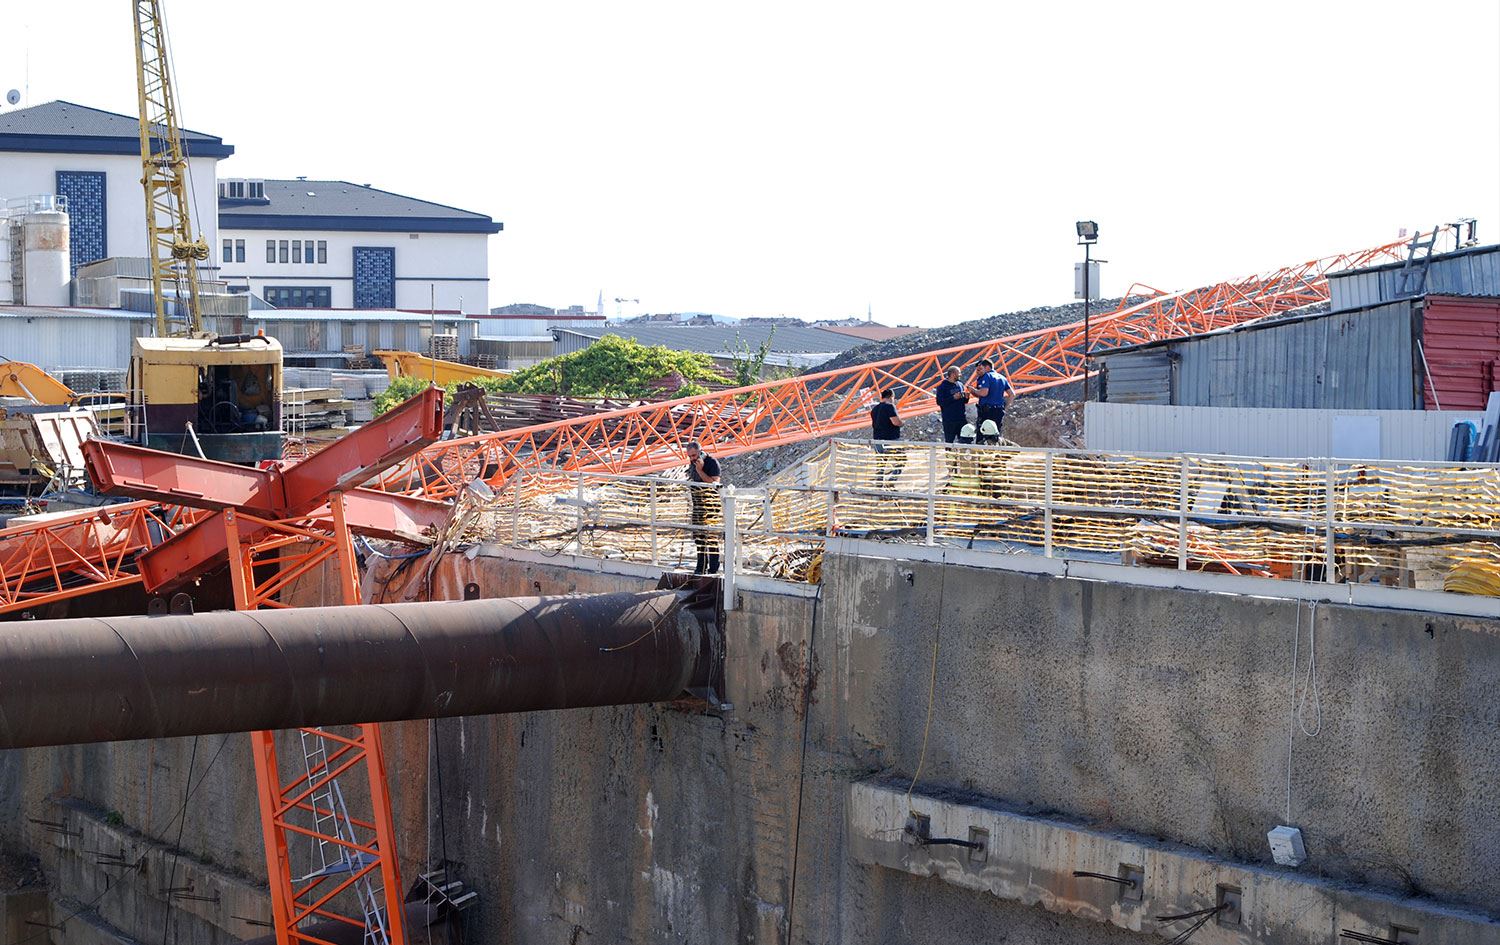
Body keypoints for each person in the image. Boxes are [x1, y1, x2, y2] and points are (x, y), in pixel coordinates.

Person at [684, 440, 722, 575]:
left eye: (694, 455)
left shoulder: (711, 462)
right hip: (697, 503)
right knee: (699, 536)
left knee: (710, 536)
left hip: (710, 504)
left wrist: (700, 471)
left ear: (700, 452)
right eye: (690, 456)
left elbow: (715, 483)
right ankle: (700, 566)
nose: (692, 459)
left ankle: (713, 567)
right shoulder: (693, 464)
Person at [869, 388, 905, 488]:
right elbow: (895, 422)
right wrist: (902, 423)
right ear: (891, 397)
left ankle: (879, 486)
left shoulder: (874, 409)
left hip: (877, 440)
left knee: (881, 464)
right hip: (890, 439)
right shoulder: (890, 406)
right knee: (901, 460)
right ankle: (891, 482)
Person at [969, 359, 1014, 438]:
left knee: (982, 434)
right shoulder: (1002, 377)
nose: (978, 372)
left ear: (986, 367)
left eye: (980, 369)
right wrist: (1005, 407)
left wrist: (973, 390)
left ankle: (981, 449)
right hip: (998, 410)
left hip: (987, 411)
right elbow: (1012, 394)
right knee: (995, 436)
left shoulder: (986, 376)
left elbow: (983, 393)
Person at [933, 367, 969, 443]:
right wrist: (953, 397)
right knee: (949, 441)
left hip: (961, 418)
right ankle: (948, 454)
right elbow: (940, 402)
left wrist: (966, 397)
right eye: (958, 373)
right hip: (949, 420)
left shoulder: (960, 384)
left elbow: (964, 401)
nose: (960, 375)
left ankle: (963, 454)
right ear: (952, 374)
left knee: (965, 440)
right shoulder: (943, 387)